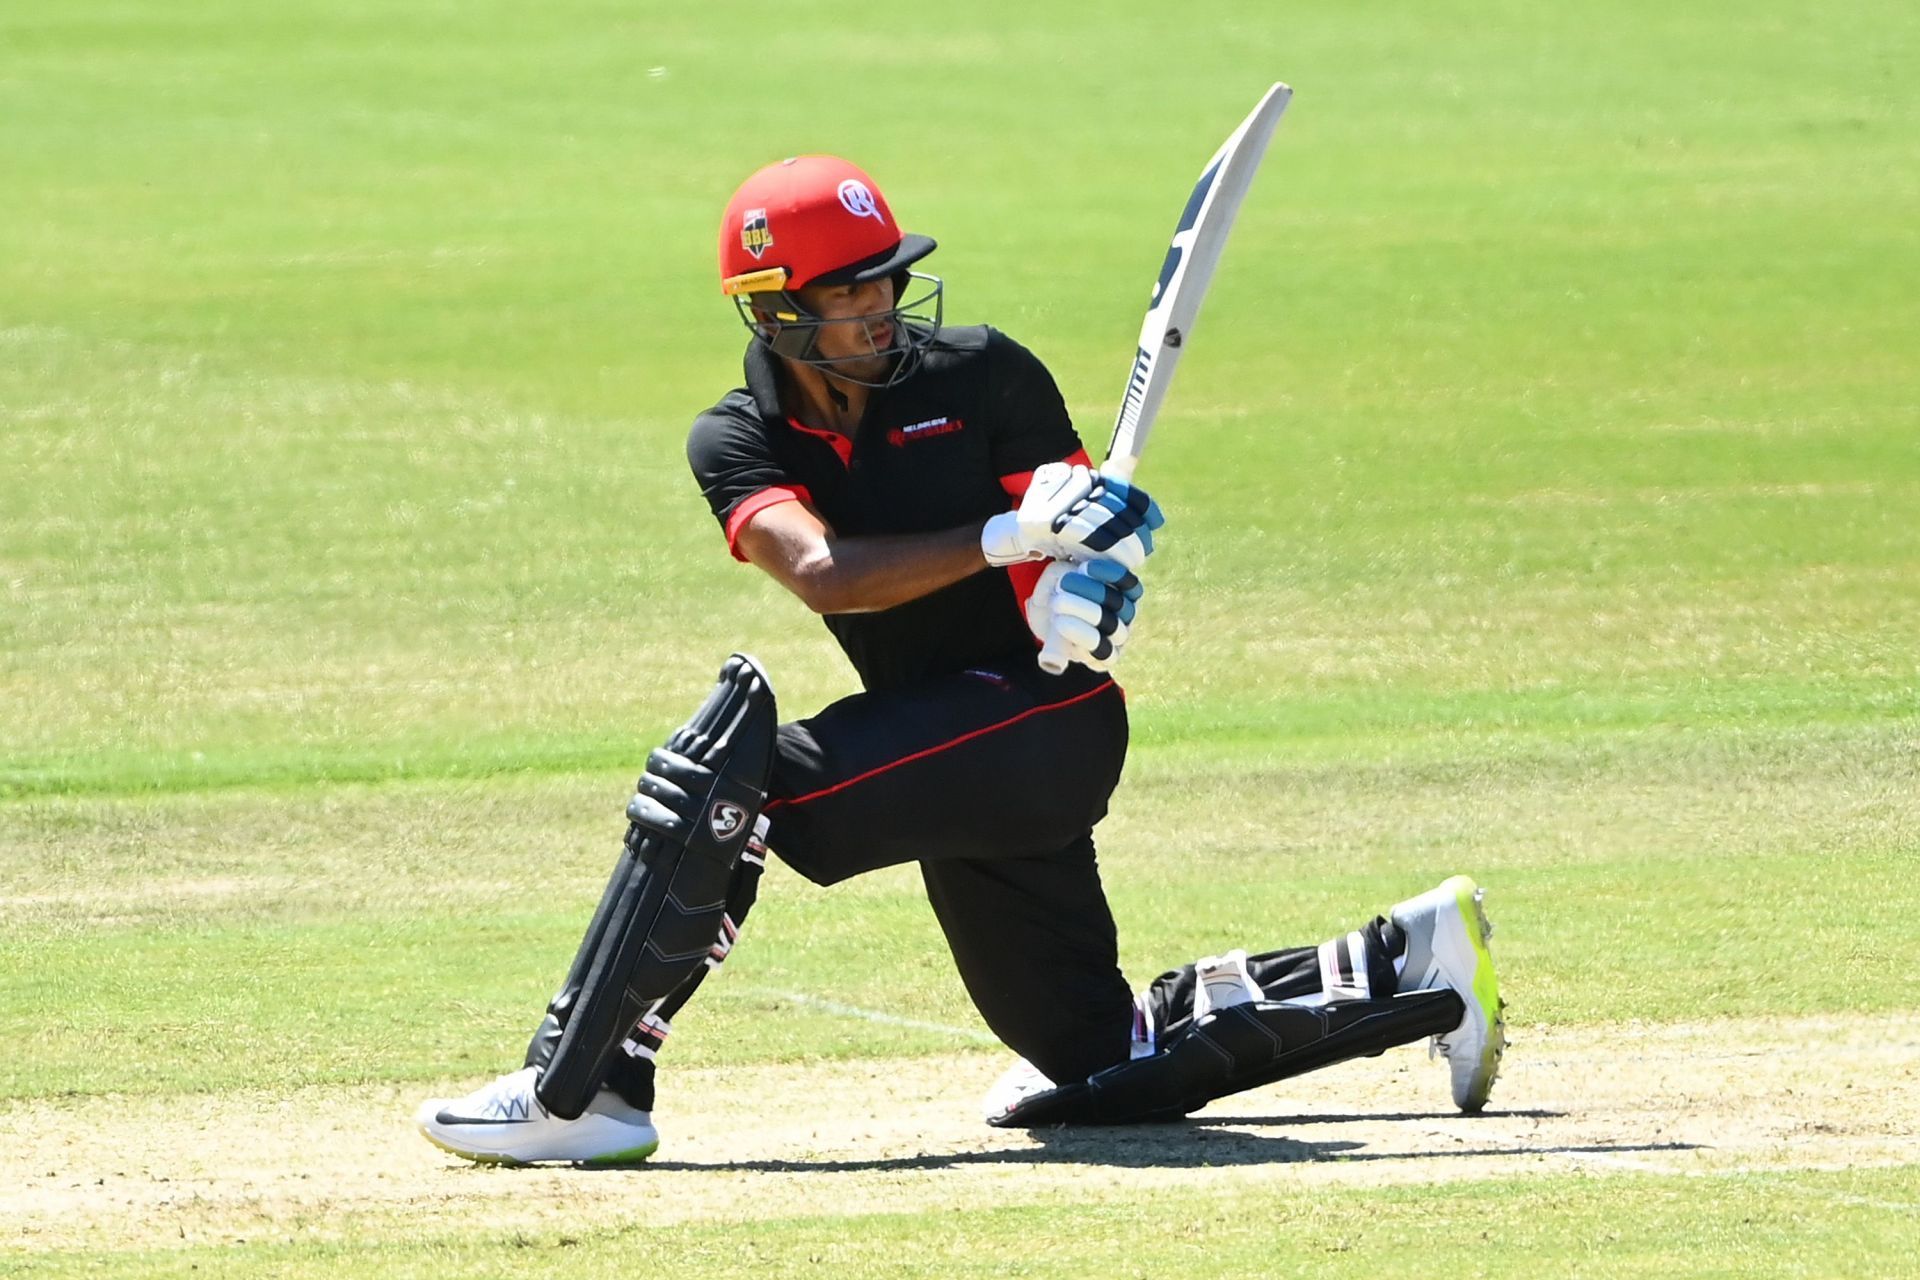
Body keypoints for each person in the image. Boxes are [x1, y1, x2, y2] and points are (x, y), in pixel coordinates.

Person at [415, 155, 1506, 1165]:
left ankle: (586, 1091)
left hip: (1041, 721)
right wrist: (1005, 534)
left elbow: (1096, 532)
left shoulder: (984, 374)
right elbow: (827, 571)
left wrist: (1095, 593)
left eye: (886, 279)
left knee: (737, 786)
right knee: (1096, 1056)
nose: (881, 306)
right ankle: (1410, 961)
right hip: (943, 744)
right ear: (776, 308)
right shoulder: (735, 439)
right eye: (848, 293)